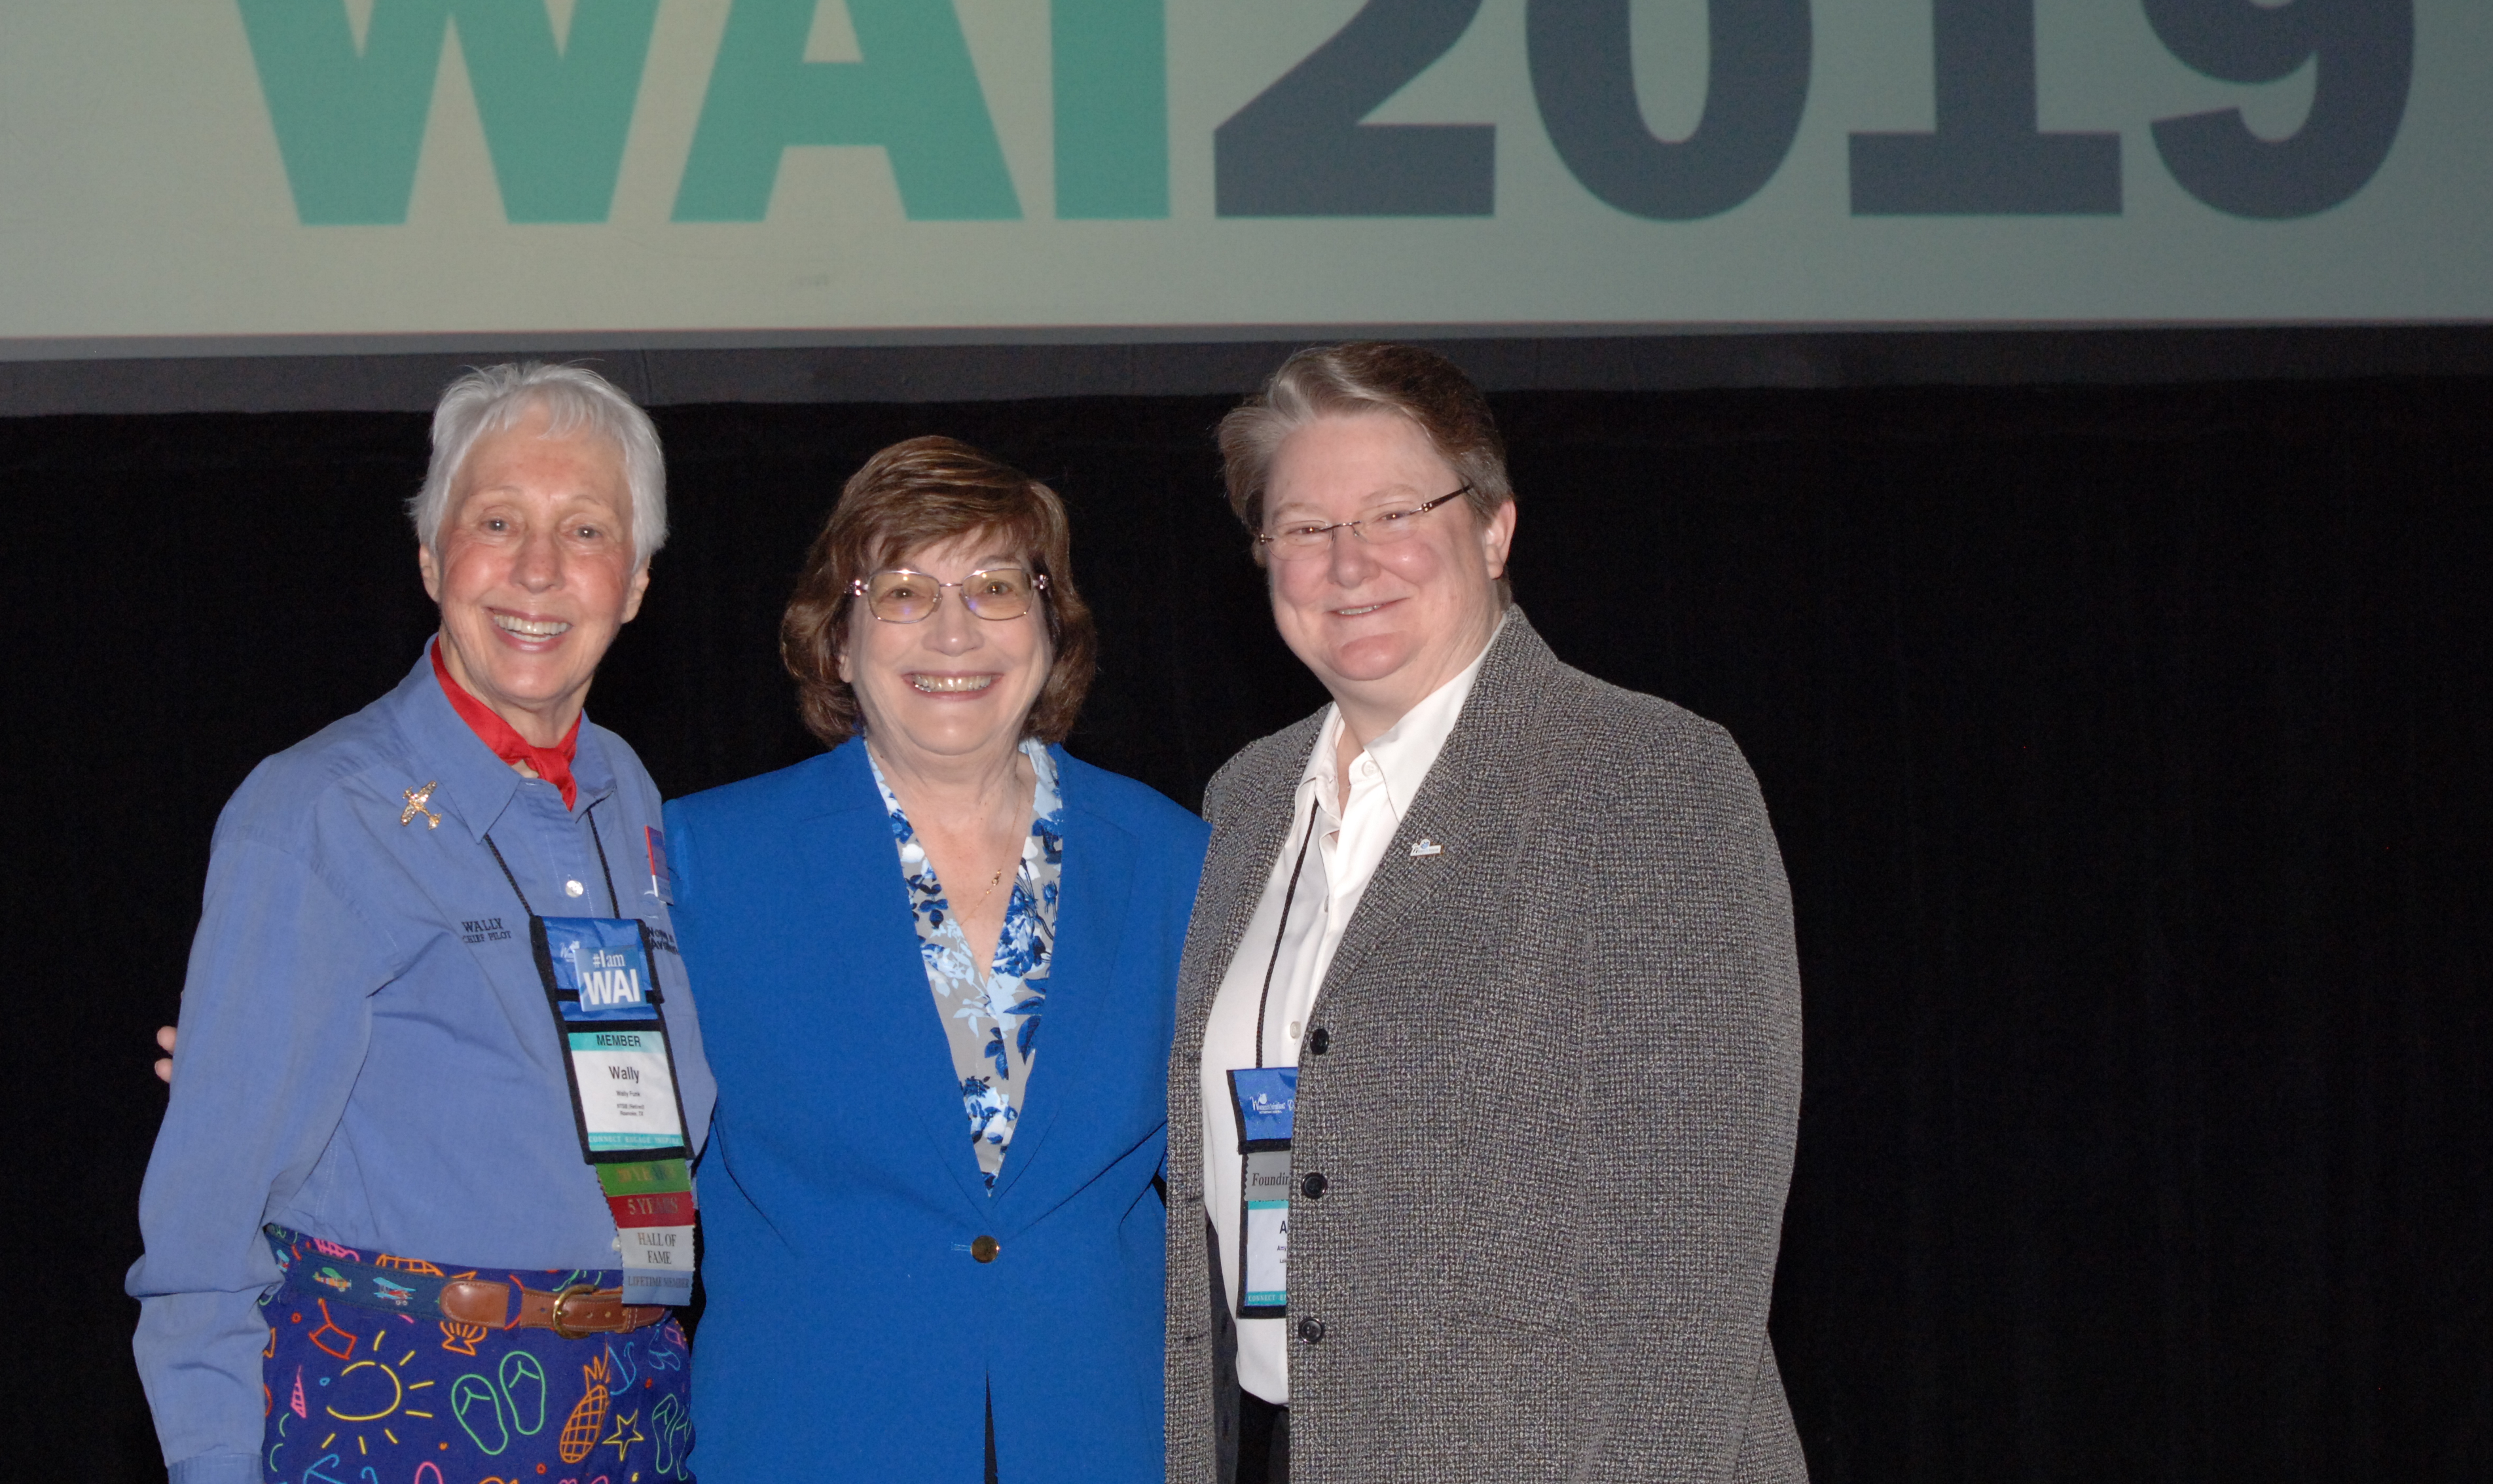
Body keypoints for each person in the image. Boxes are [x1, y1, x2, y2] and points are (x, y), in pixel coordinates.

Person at [1165, 344, 1806, 1484]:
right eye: (1304, 527)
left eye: (1394, 512)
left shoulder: (1648, 778)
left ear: (1496, 528)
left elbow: (1691, 1257)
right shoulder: (1247, 799)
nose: (1348, 562)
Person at [130, 363, 712, 1484]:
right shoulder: (315, 812)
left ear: (635, 583)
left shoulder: (628, 793)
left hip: (633, 1407)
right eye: (498, 522)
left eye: (585, 529)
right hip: (398, 1403)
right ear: (433, 558)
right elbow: (204, 1233)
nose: (539, 570)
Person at [663, 437, 1208, 1484]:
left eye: (997, 587)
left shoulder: (1179, 861)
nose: (954, 630)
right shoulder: (704, 860)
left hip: (1101, 1436)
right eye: (904, 590)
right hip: (810, 1437)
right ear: (837, 639)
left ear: (1052, 627)